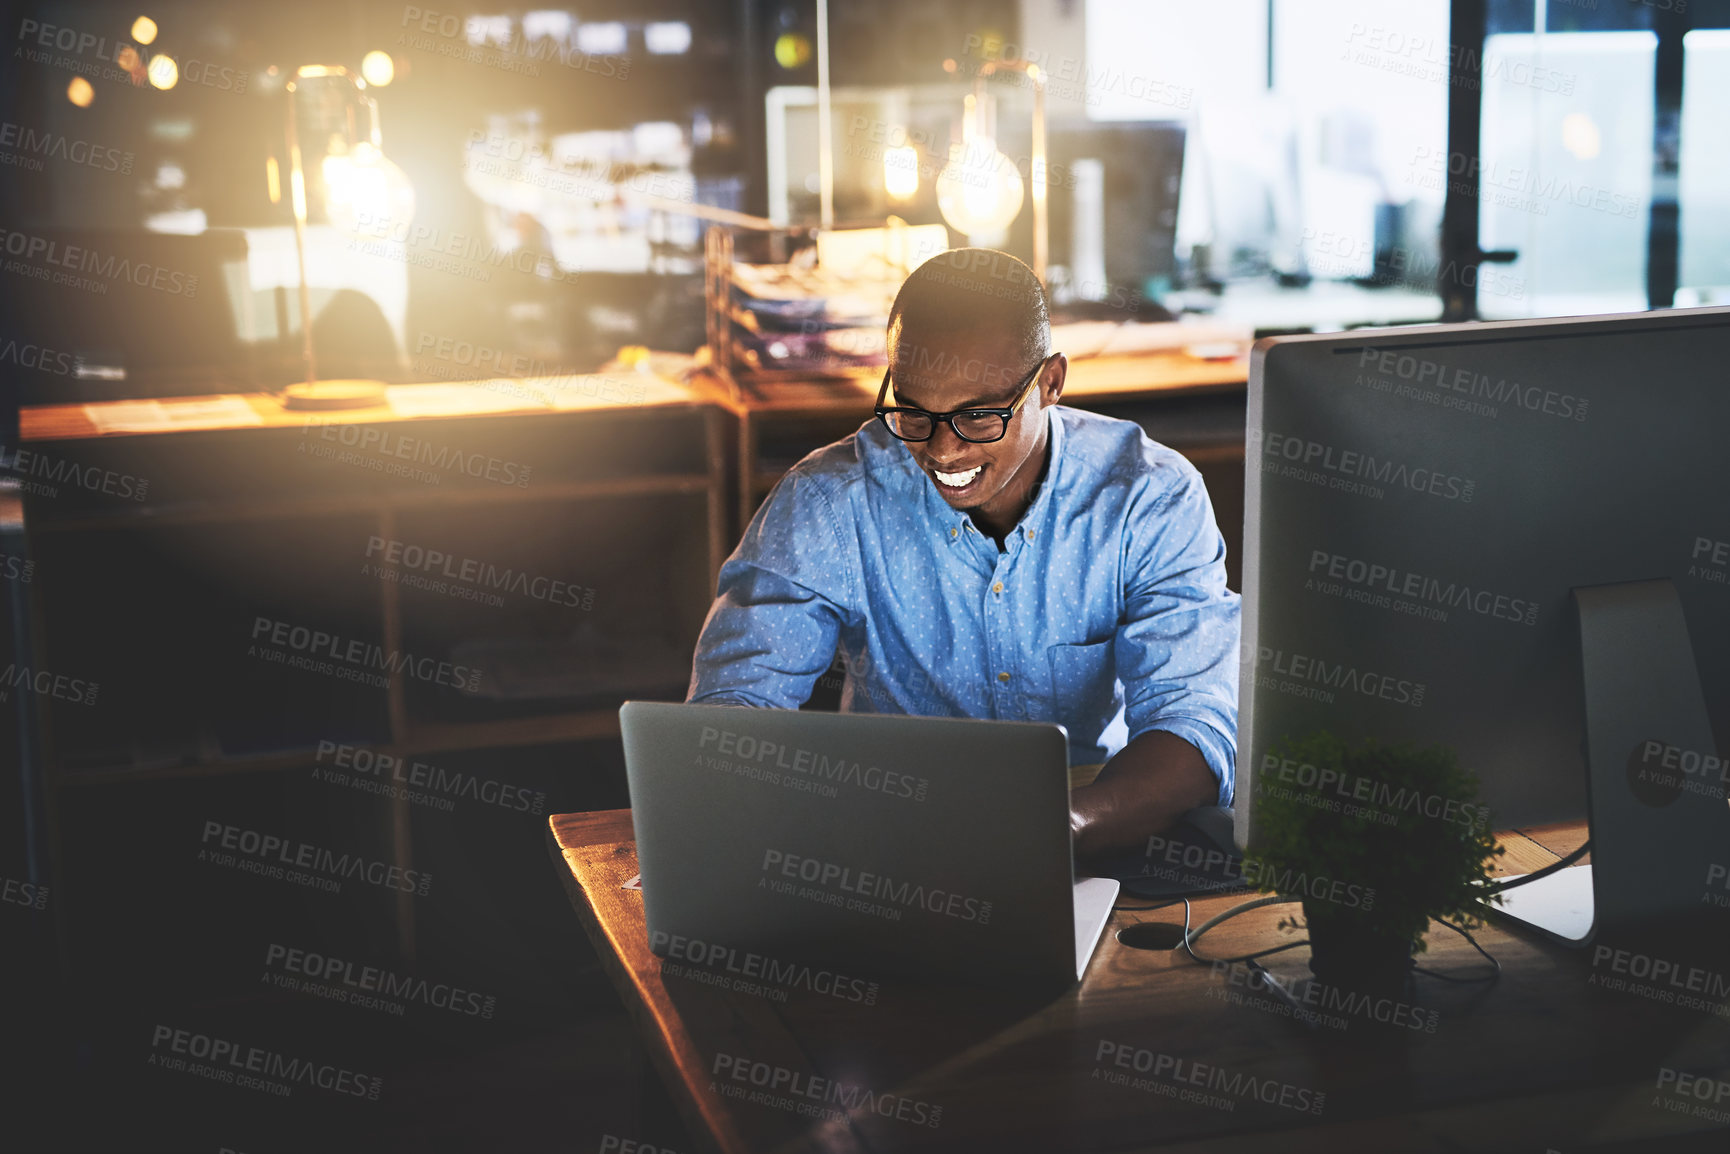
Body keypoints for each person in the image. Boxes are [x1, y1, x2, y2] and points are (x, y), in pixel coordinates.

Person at [688, 248, 1239, 855]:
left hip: (1093, 823)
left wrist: (1051, 835)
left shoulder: (1148, 496)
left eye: (979, 416)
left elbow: (1193, 725)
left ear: (1051, 382)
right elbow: (735, 710)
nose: (942, 451)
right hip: (887, 838)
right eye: (915, 412)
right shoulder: (828, 501)